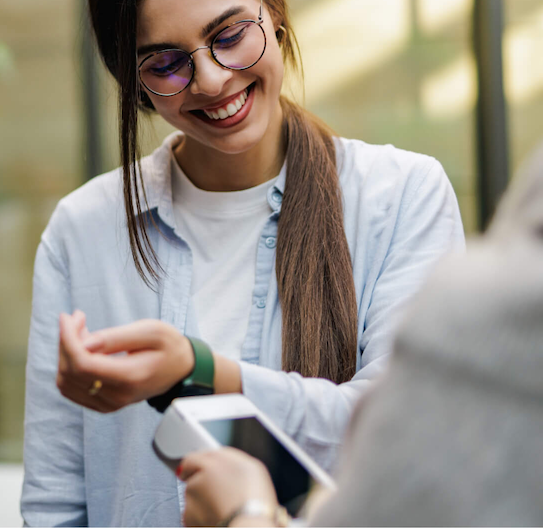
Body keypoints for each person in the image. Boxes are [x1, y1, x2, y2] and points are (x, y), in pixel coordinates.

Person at [20, 0, 466, 525]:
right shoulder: (85, 230)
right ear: (136, 83)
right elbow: (55, 502)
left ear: (274, 11)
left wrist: (199, 373)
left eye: (230, 35)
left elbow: (403, 433)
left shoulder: (401, 197)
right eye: (166, 64)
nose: (210, 79)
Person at [178, 145, 543, 527]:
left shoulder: (406, 195)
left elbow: (398, 471)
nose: (213, 82)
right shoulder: (110, 214)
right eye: (165, 78)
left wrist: (245, 513)